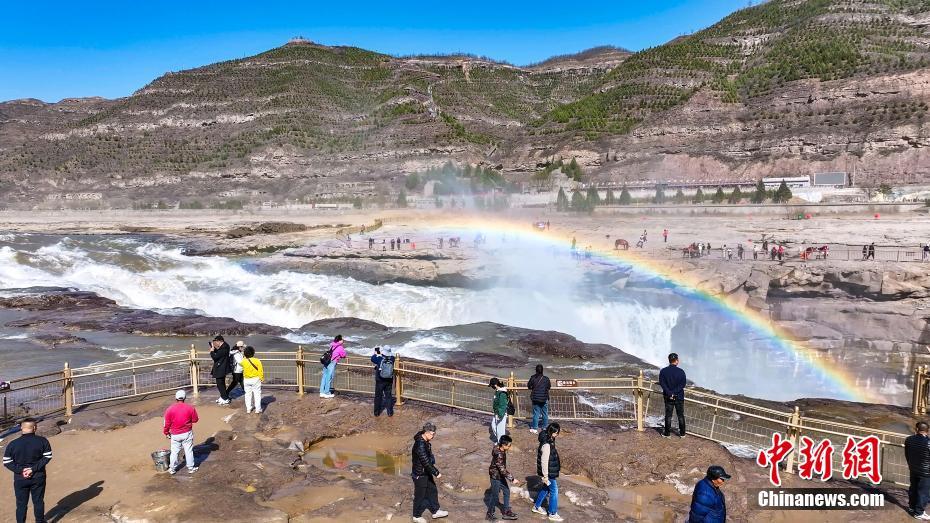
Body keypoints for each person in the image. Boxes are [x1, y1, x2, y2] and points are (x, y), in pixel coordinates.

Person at [4, 418, 52, 523]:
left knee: (21, 504)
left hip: (20, 478)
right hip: (38, 476)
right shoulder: (42, 441)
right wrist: (32, 469)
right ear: (35, 428)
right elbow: (47, 457)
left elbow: (7, 462)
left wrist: (21, 470)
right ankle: (39, 521)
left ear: (21, 428)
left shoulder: (13, 444)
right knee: (38, 501)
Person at [411, 422, 448, 522]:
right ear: (426, 433)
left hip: (426, 473)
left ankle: (436, 511)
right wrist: (436, 472)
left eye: (434, 433)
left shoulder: (424, 441)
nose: (434, 436)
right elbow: (425, 462)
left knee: (432, 491)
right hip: (420, 474)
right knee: (420, 496)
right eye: (432, 434)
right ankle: (416, 516)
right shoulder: (420, 445)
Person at [163, 389, 200, 474]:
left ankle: (172, 469)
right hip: (187, 433)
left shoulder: (169, 409)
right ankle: (191, 468)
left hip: (175, 434)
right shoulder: (190, 408)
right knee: (188, 450)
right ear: (185, 398)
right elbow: (195, 420)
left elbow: (167, 423)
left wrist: (166, 432)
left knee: (174, 452)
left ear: (176, 398)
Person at [532, 423, 563, 522]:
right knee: (554, 491)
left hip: (550, 471)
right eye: (556, 433)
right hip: (548, 473)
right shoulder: (546, 444)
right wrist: (545, 476)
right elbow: (544, 461)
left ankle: (536, 506)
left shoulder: (549, 438)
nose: (557, 435)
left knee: (546, 489)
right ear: (552, 432)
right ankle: (552, 513)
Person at [486, 434, 520, 521]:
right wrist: (512, 479)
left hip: (499, 475)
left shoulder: (499, 447)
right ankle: (489, 514)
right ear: (503, 445)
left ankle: (506, 511)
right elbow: (502, 469)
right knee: (495, 496)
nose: (510, 447)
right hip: (495, 476)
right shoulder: (499, 455)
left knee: (506, 491)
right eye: (509, 445)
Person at [905, 421, 930, 519]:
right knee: (923, 492)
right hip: (926, 472)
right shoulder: (928, 442)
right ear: (927, 431)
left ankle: (911, 507)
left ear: (916, 429)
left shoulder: (909, 439)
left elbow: (907, 454)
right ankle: (919, 513)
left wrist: (910, 465)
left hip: (913, 469)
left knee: (913, 489)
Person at [659, 353, 687, 438]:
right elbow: (682, 384)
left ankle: (667, 434)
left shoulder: (663, 371)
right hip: (679, 397)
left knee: (668, 416)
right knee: (680, 416)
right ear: (677, 361)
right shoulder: (681, 372)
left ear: (669, 360)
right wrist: (674, 392)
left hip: (668, 397)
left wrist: (669, 393)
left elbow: (662, 383)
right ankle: (682, 434)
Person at [371, 346, 395, 416]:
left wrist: (376, 353)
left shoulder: (379, 358)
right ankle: (390, 412)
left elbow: (372, 358)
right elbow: (391, 357)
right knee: (388, 396)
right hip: (389, 379)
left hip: (380, 380)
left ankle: (376, 413)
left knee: (378, 396)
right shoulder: (392, 358)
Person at [527, 364, 551, 434]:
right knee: (545, 413)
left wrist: (533, 388)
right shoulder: (546, 378)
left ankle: (535, 428)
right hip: (544, 398)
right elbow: (549, 387)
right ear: (542, 370)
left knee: (536, 414)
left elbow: (529, 386)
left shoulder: (533, 378)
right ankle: (544, 427)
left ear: (536, 370)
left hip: (535, 398)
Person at [209, 335, 232, 405]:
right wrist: (214, 349)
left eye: (216, 341)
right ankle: (223, 397)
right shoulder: (225, 346)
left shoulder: (224, 348)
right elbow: (220, 354)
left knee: (220, 384)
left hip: (221, 368)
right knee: (221, 384)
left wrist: (212, 351)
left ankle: (225, 398)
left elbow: (215, 357)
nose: (215, 343)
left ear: (220, 341)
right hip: (222, 367)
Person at [242, 346, 264, 414]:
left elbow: (241, 364)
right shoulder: (257, 360)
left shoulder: (243, 361)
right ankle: (258, 409)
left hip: (246, 379)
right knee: (257, 394)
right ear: (253, 353)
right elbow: (260, 370)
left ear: (245, 354)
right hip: (255, 379)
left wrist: (245, 357)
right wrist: (261, 378)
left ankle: (248, 408)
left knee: (248, 394)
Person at [489, 378, 509, 444]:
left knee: (500, 429)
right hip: (497, 412)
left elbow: (503, 406)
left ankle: (502, 443)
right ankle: (500, 440)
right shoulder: (498, 391)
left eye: (492, 385)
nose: (492, 387)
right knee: (494, 426)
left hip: (501, 413)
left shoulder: (502, 393)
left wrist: (500, 415)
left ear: (495, 385)